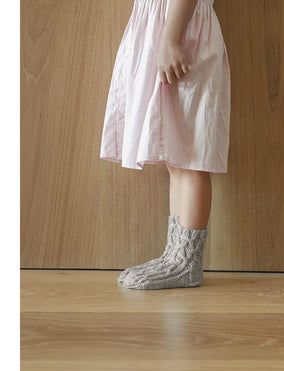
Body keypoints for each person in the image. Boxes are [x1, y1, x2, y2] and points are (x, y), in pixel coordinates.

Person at [100, 0, 231, 289]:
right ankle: (174, 255)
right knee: (176, 157)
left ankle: (186, 263)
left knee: (191, 157)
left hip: (183, 34)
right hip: (165, 29)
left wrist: (171, 37)